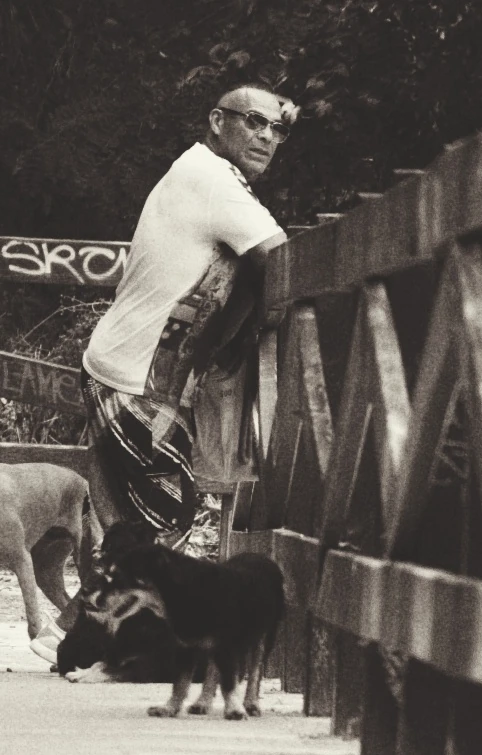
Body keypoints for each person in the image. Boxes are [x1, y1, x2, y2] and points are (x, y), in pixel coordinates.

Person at [31, 84, 298, 664]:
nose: (267, 136)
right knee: (170, 511)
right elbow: (281, 256)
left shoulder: (198, 171)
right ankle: (79, 632)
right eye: (254, 121)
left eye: (278, 129)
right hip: (133, 378)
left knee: (132, 527)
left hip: (117, 368)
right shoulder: (213, 180)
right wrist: (270, 320)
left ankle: (78, 639)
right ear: (217, 121)